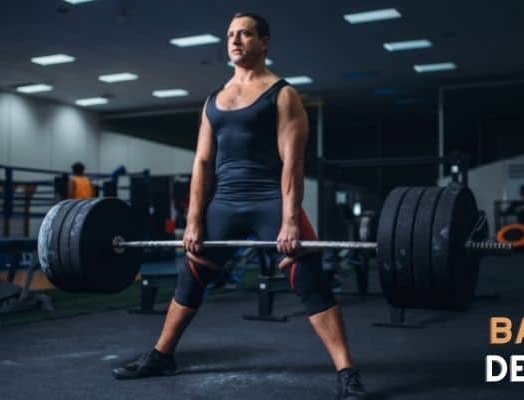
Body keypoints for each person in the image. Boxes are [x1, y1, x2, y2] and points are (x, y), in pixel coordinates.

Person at [112, 11, 368, 399]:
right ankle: (162, 355)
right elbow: (201, 163)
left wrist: (290, 221)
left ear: (264, 42)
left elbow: (293, 162)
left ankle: (347, 371)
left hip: (269, 198)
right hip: (224, 203)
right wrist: (193, 220)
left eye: (244, 34)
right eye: (230, 34)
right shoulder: (215, 100)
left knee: (308, 277)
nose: (235, 40)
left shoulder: (282, 94)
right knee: (191, 275)